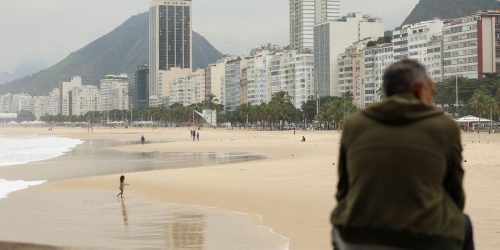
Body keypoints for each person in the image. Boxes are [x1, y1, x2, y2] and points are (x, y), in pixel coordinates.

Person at [331, 59, 473, 250]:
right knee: (463, 224)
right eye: (430, 89)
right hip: (428, 239)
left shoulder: (354, 124)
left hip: (358, 236)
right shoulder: (444, 125)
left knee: (339, 223)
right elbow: (456, 194)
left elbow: (343, 191)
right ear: (417, 89)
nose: (432, 95)